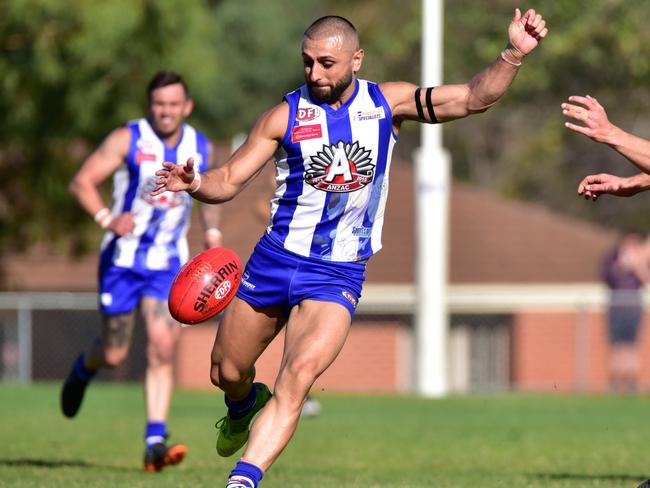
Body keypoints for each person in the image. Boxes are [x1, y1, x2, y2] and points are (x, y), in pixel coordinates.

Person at [153, 12, 547, 488]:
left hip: (337, 273)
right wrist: (194, 182)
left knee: (296, 376)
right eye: (307, 63)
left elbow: (472, 98)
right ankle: (240, 405)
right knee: (226, 370)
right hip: (275, 260)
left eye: (327, 63)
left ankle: (242, 481)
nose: (315, 74)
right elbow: (228, 182)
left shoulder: (388, 103)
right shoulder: (284, 116)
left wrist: (514, 53)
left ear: (356, 60)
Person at [61, 71, 222, 472]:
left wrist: (213, 233)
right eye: (158, 104)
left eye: (173, 104)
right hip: (122, 261)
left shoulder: (200, 145)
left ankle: (154, 442)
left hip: (167, 264)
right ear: (150, 105)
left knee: (162, 347)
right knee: (115, 354)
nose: (165, 111)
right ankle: (84, 368)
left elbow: (210, 190)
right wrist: (106, 218)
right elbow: (82, 182)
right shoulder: (127, 139)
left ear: (187, 107)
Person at [601, 234, 650, 391]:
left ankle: (631, 380)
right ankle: (615, 380)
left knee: (632, 345)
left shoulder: (641, 263)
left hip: (634, 306)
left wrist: (638, 265)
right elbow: (607, 278)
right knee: (616, 344)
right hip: (617, 306)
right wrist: (621, 265)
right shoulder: (611, 258)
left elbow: (645, 281)